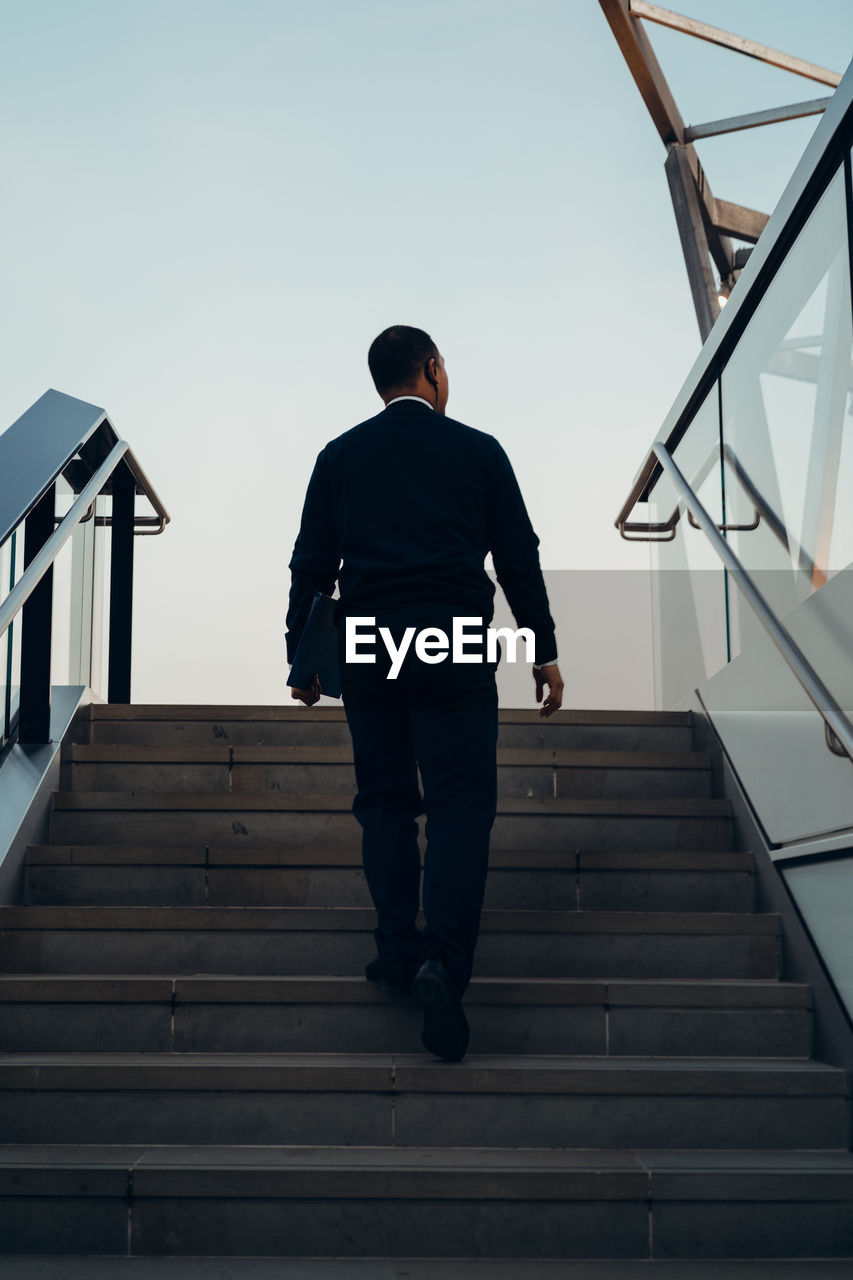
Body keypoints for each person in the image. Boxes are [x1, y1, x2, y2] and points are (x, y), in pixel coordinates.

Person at [286, 325, 562, 1061]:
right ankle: (443, 959)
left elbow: (311, 564)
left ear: (378, 382)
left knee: (383, 802)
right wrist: (541, 646)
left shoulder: (340, 456)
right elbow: (516, 557)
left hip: (369, 645)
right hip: (452, 641)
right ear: (433, 369)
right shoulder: (477, 449)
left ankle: (395, 949)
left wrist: (300, 657)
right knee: (459, 804)